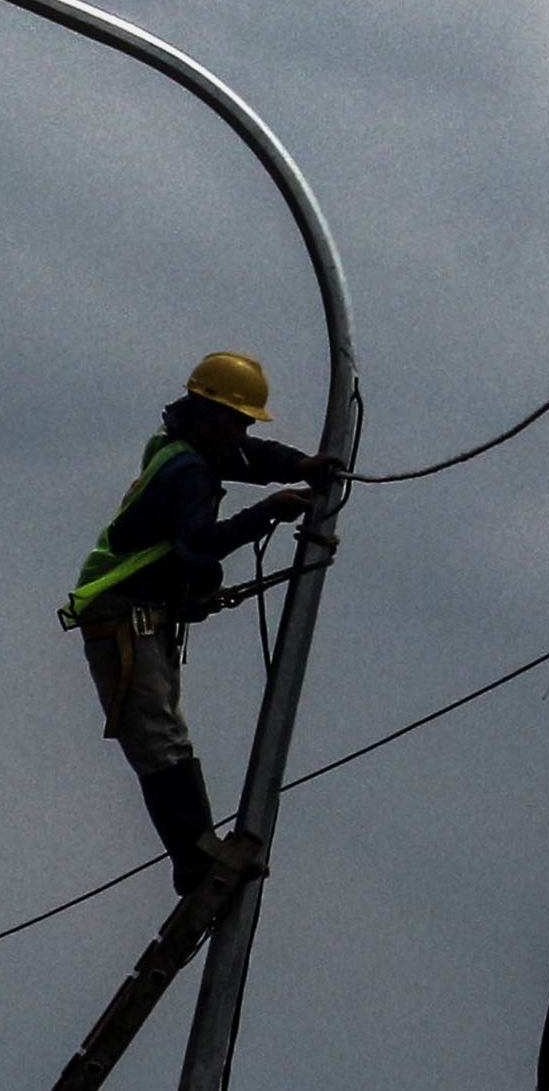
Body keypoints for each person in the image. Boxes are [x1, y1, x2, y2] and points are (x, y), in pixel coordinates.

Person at [61, 354, 331, 894]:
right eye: (236, 418)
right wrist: (267, 513)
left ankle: (199, 850)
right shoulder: (186, 471)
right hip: (121, 611)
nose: (243, 429)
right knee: (157, 737)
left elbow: (246, 457)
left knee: (167, 733)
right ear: (207, 413)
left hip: (139, 610)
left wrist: (300, 466)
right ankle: (195, 856)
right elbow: (196, 545)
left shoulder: (184, 447)